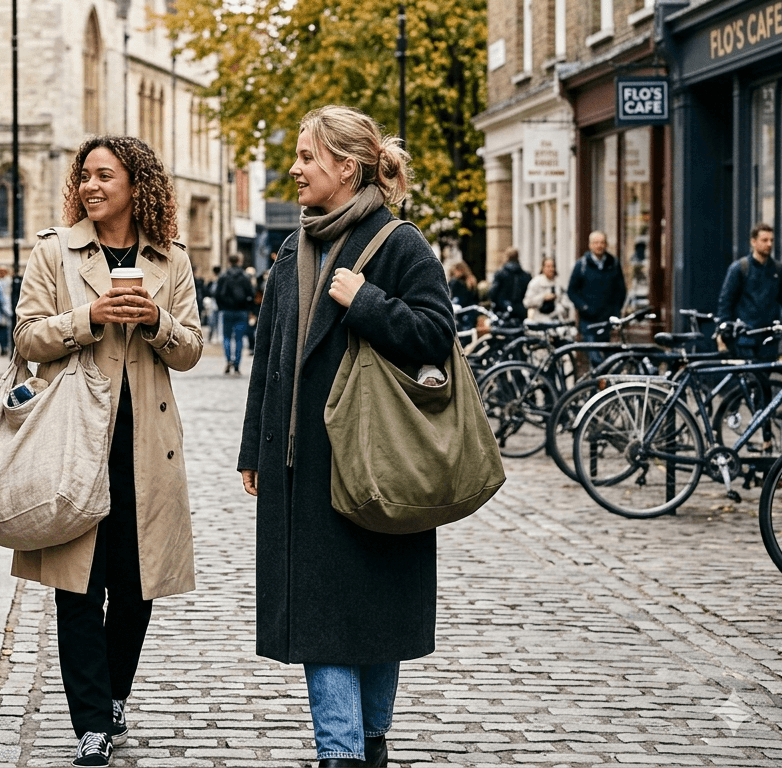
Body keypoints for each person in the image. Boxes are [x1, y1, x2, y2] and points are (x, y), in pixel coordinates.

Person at [238, 105, 453, 768]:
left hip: (377, 461)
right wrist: (255, 446)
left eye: (307, 157)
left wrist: (363, 301)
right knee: (324, 615)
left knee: (375, 609)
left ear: (348, 167)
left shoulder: (400, 243)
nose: (294, 169)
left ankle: (367, 741)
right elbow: (270, 355)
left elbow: (435, 335)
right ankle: (344, 751)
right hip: (303, 467)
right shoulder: (292, 247)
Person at [14, 135, 202, 768]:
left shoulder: (171, 258)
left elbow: (191, 349)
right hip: (75, 442)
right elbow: (27, 337)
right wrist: (88, 317)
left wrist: (156, 322)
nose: (90, 187)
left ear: (135, 185)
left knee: (135, 585)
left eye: (104, 176)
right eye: (84, 177)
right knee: (77, 586)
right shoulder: (54, 252)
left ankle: (115, 695)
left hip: (144, 447)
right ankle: (91, 723)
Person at [716, 223, 782, 361]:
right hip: (745, 339)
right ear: (753, 242)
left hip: (769, 340)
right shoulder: (740, 268)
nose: (769, 244)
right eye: (764, 240)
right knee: (748, 373)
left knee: (766, 374)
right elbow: (726, 302)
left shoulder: (779, 270)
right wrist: (723, 330)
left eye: (771, 240)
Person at [567, 230, 627, 365]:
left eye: (602, 242)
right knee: (595, 359)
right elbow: (572, 291)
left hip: (607, 320)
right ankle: (597, 378)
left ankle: (604, 378)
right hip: (588, 321)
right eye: (596, 243)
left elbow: (621, 291)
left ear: (606, 244)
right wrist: (584, 307)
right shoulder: (581, 265)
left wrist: (615, 311)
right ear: (590, 245)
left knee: (611, 360)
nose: (599, 246)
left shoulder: (613, 264)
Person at [215, 254, 254, 374]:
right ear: (239, 261)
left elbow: (217, 294)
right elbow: (251, 293)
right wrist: (249, 309)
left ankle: (228, 360)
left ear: (229, 262)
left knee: (226, 337)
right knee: (239, 339)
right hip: (241, 311)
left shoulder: (223, 276)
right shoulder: (244, 277)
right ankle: (237, 364)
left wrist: (221, 307)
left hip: (227, 310)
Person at [523, 257, 574, 324]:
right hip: (539, 319)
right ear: (543, 268)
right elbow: (527, 302)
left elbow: (565, 300)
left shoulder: (558, 283)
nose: (551, 269)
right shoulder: (536, 282)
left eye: (552, 266)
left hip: (556, 319)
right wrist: (543, 297)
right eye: (548, 266)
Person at [487, 247, 531, 321]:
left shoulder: (500, 274)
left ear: (506, 257)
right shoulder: (526, 275)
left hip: (502, 311)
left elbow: (492, 293)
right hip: (520, 312)